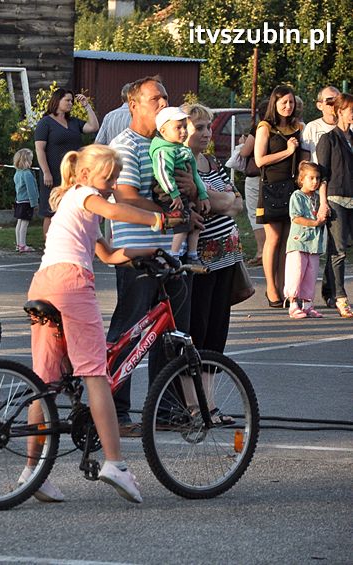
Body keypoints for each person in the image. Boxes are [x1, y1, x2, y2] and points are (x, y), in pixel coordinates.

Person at [26, 145, 163, 503]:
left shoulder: (72, 204)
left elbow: (108, 253)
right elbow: (114, 209)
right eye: (109, 178)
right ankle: (115, 464)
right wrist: (154, 219)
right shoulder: (86, 194)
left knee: (45, 382)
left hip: (44, 282)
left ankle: (32, 473)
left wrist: (146, 251)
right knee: (95, 373)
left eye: (116, 178)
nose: (113, 185)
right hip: (71, 283)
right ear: (85, 175)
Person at [107, 76, 200, 437]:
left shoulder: (166, 142)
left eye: (165, 98)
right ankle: (115, 411)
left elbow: (184, 185)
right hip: (136, 251)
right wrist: (169, 216)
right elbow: (126, 195)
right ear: (134, 105)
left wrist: (190, 191)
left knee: (172, 329)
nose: (163, 104)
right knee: (129, 329)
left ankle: (166, 408)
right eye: (155, 99)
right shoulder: (125, 144)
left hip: (166, 249)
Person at [182, 103, 244, 354]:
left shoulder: (212, 161)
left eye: (208, 127)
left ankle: (209, 379)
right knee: (200, 323)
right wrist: (223, 200)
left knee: (218, 326)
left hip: (227, 254)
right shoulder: (183, 164)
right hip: (202, 258)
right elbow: (217, 202)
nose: (207, 133)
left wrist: (218, 200)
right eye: (199, 128)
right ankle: (195, 378)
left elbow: (237, 204)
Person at [254, 85, 306, 308]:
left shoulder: (298, 127)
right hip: (272, 187)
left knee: (287, 241)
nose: (288, 106)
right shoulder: (265, 127)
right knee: (273, 239)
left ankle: (284, 287)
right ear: (274, 104)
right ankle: (271, 289)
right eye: (283, 102)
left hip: (293, 188)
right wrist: (287, 151)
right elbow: (259, 160)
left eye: (291, 102)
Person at [34, 88, 99, 235]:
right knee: (51, 211)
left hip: (74, 174)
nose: (70, 103)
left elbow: (94, 127)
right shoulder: (45, 123)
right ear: (57, 101)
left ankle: (71, 241)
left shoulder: (74, 122)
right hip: (53, 173)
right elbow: (39, 149)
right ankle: (48, 244)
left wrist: (87, 106)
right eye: (67, 100)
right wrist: (46, 172)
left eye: (72, 101)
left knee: (74, 210)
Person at [150, 107, 211, 263]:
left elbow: (195, 174)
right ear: (163, 131)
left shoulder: (183, 150)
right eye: (178, 128)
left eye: (185, 127)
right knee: (183, 222)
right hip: (167, 192)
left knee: (197, 221)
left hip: (180, 193)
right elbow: (162, 174)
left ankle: (192, 253)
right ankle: (174, 254)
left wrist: (202, 194)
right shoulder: (163, 151)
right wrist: (174, 194)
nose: (183, 131)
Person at [316, 93, 353, 317]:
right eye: (350, 110)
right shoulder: (328, 139)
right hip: (335, 198)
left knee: (337, 248)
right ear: (340, 111)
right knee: (338, 250)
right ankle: (340, 297)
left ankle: (328, 291)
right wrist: (323, 203)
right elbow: (323, 175)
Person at [282, 162, 327, 319]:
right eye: (311, 178)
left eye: (318, 178)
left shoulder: (317, 198)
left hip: (314, 244)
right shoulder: (297, 196)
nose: (315, 181)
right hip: (298, 242)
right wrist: (315, 223)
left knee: (311, 274)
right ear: (301, 179)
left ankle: (308, 305)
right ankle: (293, 304)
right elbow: (296, 217)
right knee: (296, 273)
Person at [237, 100, 269, 266]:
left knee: (255, 213)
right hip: (273, 176)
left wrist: (242, 144)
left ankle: (262, 250)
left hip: (256, 175)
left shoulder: (259, 128)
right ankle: (271, 249)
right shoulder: (281, 128)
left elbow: (245, 152)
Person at [12, 148, 38, 252]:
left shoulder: (17, 173)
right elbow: (31, 189)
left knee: (19, 223)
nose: (32, 162)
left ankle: (19, 244)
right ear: (26, 161)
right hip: (27, 201)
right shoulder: (27, 174)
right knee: (24, 224)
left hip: (19, 201)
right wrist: (34, 203)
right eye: (30, 160)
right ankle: (23, 245)